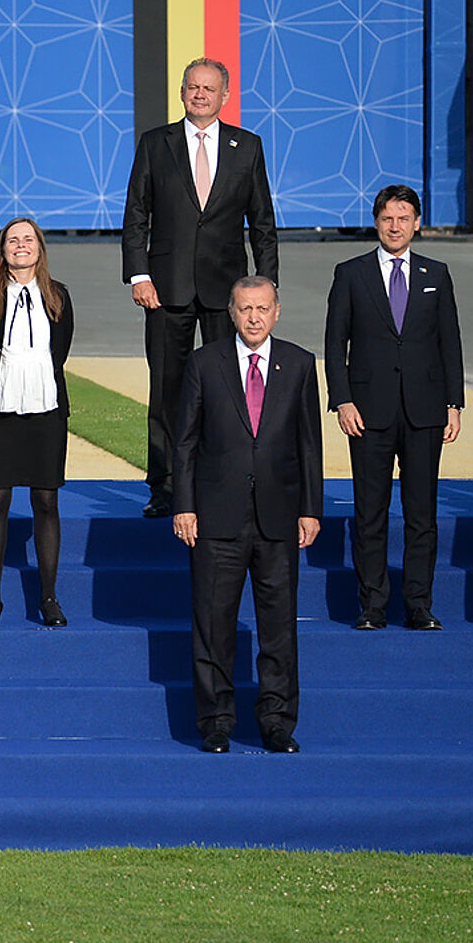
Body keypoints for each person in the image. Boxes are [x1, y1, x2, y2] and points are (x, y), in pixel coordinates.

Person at [121, 56, 278, 518]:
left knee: (226, 389)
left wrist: (265, 288)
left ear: (225, 95)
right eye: (193, 87)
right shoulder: (156, 143)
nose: (200, 94)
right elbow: (136, 215)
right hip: (165, 290)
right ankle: (165, 487)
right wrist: (139, 274)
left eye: (209, 88)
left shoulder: (246, 147)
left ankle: (221, 481)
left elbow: (263, 224)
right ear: (182, 92)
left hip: (227, 292)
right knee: (167, 390)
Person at [172, 277, 321, 754]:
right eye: (244, 309)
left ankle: (276, 720)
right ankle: (216, 720)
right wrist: (184, 505)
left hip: (278, 517)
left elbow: (309, 445)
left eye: (262, 308)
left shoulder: (298, 364)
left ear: (277, 311)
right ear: (231, 313)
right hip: (217, 518)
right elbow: (186, 443)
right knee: (214, 625)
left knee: (278, 626)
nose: (254, 317)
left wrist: (310, 510)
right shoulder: (203, 363)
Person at [324, 185, 463, 632]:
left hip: (425, 411)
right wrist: (342, 399)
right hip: (368, 412)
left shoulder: (436, 274)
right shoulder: (350, 273)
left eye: (404, 218)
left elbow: (450, 342)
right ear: (376, 222)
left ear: (417, 223)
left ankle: (419, 605)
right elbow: (334, 343)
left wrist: (453, 403)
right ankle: (372, 606)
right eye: (387, 218)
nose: (395, 226)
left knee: (421, 513)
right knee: (370, 512)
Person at [0, 218, 75, 628]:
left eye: (28, 240)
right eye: (13, 240)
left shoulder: (58, 296)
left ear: (40, 248)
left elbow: (59, 351)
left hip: (45, 412)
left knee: (46, 501)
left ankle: (48, 597)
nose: (21, 246)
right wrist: (0, 386)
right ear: (3, 249)